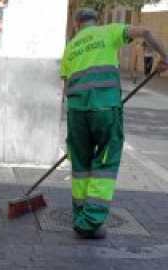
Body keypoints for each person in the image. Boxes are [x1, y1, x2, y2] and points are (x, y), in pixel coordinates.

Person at [60, 8, 168, 240]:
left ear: (77, 24)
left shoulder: (70, 48)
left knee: (80, 165)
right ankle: (90, 223)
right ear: (95, 22)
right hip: (104, 109)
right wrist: (165, 57)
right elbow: (146, 32)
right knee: (106, 160)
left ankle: (81, 215)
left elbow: (66, 89)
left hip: (77, 113)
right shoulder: (107, 32)